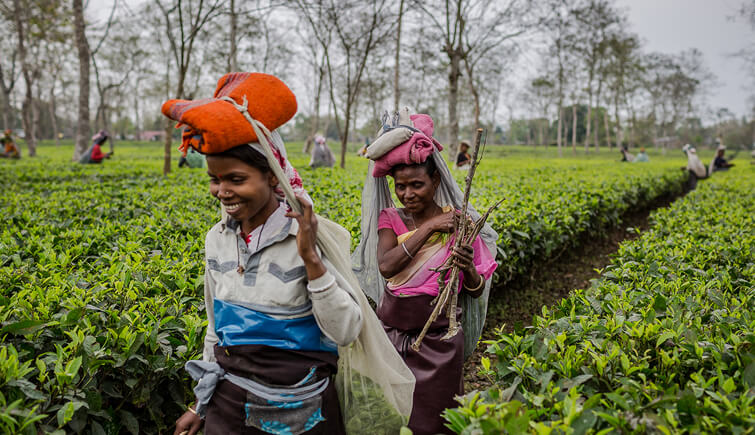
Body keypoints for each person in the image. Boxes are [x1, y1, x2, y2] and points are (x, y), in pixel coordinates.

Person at [164, 72, 413, 435]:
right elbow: (217, 333)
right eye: (215, 180)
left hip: (302, 414)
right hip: (230, 408)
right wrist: (199, 404)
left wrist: (311, 260)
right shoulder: (216, 241)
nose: (222, 191)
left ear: (271, 176)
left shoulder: (306, 238)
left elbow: (346, 331)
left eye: (236, 179)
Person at [353, 109, 498, 435]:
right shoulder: (391, 218)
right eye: (401, 186)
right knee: (395, 417)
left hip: (440, 342)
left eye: (417, 185)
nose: (408, 194)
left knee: (437, 421)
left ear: (436, 180)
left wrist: (466, 269)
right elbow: (387, 266)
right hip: (393, 336)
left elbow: (474, 288)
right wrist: (431, 226)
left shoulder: (459, 222)